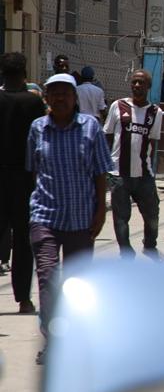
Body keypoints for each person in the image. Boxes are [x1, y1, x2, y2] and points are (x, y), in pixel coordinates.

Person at [27, 73, 112, 364]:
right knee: (49, 279)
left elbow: (101, 172)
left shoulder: (90, 128)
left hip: (81, 219)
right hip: (45, 217)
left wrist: (100, 211)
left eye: (66, 93)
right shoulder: (38, 128)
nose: (60, 98)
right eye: (54, 93)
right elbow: (34, 171)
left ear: (75, 98)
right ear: (46, 98)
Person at [0, 53, 46, 313]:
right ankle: (24, 299)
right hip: (24, 178)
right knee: (23, 241)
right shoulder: (33, 103)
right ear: (24, 73)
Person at [104, 70, 164, 259]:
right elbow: (107, 135)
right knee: (121, 217)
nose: (137, 86)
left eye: (141, 83)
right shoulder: (118, 106)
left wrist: (150, 168)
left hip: (144, 174)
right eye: (134, 82)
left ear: (148, 87)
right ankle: (126, 251)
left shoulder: (155, 112)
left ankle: (149, 245)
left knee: (152, 215)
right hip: (119, 174)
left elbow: (153, 143)